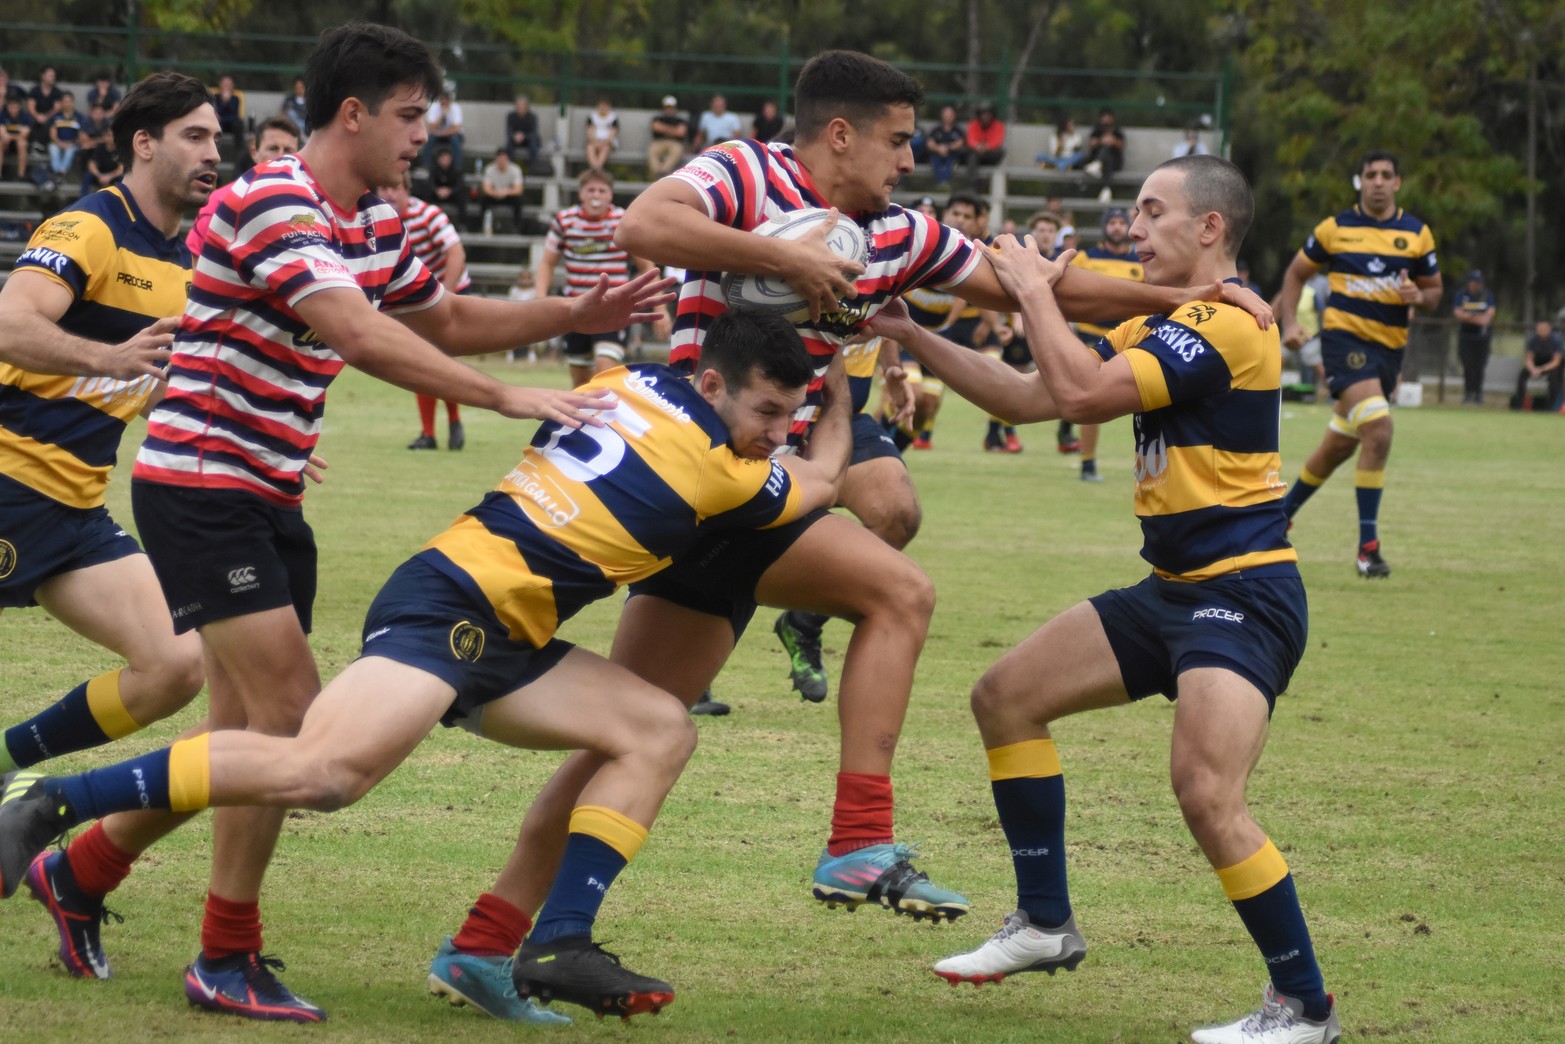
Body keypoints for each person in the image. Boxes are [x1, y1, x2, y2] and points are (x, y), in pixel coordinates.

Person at [494, 49, 1274, 945]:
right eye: (898, 141)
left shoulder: (899, 233)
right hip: (704, 474)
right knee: (898, 591)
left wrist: (1184, 292)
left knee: (631, 730)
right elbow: (647, 222)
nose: (910, 160)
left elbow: (1036, 289)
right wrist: (783, 258)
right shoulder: (746, 172)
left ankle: (488, 940)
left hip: (756, 490)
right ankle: (858, 840)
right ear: (840, 135)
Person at [0, 23, 670, 1024]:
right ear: (352, 114)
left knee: (241, 731)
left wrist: (569, 316)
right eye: (409, 115)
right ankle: (218, 948)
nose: (424, 134)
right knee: (289, 723)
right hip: (202, 489)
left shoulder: (375, 222)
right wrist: (504, 397)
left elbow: (444, 319)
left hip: (264, 494)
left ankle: (86, 867)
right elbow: (356, 333)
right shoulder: (274, 199)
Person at [0, 306, 854, 1021]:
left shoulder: (624, 382)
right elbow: (821, 481)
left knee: (658, 729)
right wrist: (842, 386)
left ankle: (545, 943)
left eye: (789, 417)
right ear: (712, 385)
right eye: (768, 413)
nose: (775, 435)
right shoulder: (722, 472)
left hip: (508, 630)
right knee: (323, 772)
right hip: (452, 607)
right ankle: (50, 802)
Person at [871, 152, 1340, 1044]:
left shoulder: (1227, 323)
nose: (1133, 226)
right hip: (1170, 592)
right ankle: (1044, 923)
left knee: (1205, 793)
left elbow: (1082, 395)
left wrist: (1030, 290)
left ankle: (1303, 1007)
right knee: (1004, 697)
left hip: (1242, 596)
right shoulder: (1163, 323)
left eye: (1152, 210)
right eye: (1133, 210)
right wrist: (911, 334)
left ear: (1210, 226)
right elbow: (1027, 397)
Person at [0, 83, 219, 975]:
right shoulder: (89, 226)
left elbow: (154, 382)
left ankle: (9, 767)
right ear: (143, 144)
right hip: (7, 479)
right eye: (194, 136)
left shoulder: (184, 260)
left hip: (75, 508)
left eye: (218, 138)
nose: (213, 153)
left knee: (175, 664)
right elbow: (10, 322)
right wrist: (108, 356)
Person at [1278, 150, 1441, 579]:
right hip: (1344, 343)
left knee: (1338, 446)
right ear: (1360, 182)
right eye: (1371, 175)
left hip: (1389, 353)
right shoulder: (1335, 229)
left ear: (1397, 182)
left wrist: (1420, 296)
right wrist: (1290, 322)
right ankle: (1368, 548)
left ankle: (1278, 518)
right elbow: (1295, 273)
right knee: (1379, 430)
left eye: (1386, 175)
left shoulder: (1416, 233)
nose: (1378, 182)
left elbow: (1434, 290)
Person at [538, 168, 668, 387]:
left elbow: (647, 266)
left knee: (604, 367)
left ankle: (608, 408)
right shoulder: (564, 221)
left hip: (612, 308)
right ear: (581, 194)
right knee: (580, 382)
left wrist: (660, 310)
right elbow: (547, 263)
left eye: (601, 190)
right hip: (576, 308)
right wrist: (541, 299)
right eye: (591, 190)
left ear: (610, 195)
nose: (596, 195)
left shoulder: (623, 221)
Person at [381, 173, 474, 451]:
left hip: (449, 289)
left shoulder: (428, 215)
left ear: (407, 190)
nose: (389, 193)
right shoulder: (375, 218)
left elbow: (456, 253)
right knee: (421, 360)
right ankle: (431, 433)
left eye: (395, 187)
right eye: (384, 187)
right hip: (416, 296)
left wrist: (446, 297)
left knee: (438, 358)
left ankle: (449, 423)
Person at [1060, 206, 1143, 480]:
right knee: (1091, 401)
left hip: (1128, 340)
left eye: (1121, 222)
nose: (1117, 227)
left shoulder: (1140, 262)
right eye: (1112, 222)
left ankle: (1148, 466)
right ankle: (1088, 464)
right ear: (1104, 227)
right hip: (1090, 338)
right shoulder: (1086, 258)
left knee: (1141, 403)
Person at [185, 115, 301, 257]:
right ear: (254, 152)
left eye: (288, 150)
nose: (280, 157)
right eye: (273, 148)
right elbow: (195, 257)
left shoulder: (309, 203)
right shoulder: (221, 201)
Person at [1452, 269, 1495, 404]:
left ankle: (1478, 394)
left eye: (1479, 282)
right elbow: (1458, 314)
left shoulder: (1486, 296)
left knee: (1480, 366)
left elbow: (1488, 318)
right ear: (1469, 283)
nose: (1477, 285)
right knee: (1467, 365)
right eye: (1475, 282)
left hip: (1482, 337)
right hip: (1466, 335)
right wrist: (1477, 317)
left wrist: (1469, 316)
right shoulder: (1461, 295)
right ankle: (1467, 393)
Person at [1513, 318, 1563, 411]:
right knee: (1522, 374)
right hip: (1536, 363)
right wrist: (1533, 369)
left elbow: (1556, 361)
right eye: (1539, 330)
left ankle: (1550, 407)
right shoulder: (1533, 340)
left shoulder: (1555, 340)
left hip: (1550, 365)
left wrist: (1542, 369)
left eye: (1544, 330)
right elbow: (1529, 358)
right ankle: (1519, 405)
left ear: (1549, 329)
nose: (1541, 332)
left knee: (1554, 378)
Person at [1083, 107, 1125, 200]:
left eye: (1108, 116)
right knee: (1105, 149)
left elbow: (1121, 145)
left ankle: (1098, 164)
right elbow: (1092, 144)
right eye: (1104, 116)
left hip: (1113, 162)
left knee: (1107, 154)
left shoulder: (1117, 130)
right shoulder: (1097, 130)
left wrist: (1113, 141)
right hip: (1097, 159)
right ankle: (1106, 189)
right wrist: (1101, 141)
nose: (1106, 119)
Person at [479, 147, 524, 232]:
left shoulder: (515, 169)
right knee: (483, 199)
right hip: (494, 195)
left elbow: (518, 190)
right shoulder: (490, 169)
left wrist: (505, 192)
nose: (502, 161)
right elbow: (486, 189)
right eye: (500, 159)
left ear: (508, 159)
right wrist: (496, 193)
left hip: (508, 195)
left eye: (504, 159)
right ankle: (483, 225)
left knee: (519, 200)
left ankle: (517, 228)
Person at [646, 95, 688, 179]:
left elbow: (681, 132)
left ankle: (663, 173)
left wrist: (663, 129)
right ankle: (657, 172)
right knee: (652, 150)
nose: (669, 110)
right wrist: (673, 130)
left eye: (671, 107)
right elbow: (656, 127)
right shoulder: (657, 118)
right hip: (659, 142)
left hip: (675, 143)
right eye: (667, 107)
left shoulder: (680, 120)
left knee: (677, 150)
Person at [425, 145, 467, 227]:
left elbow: (460, 185)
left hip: (452, 194)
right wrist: (437, 190)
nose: (445, 161)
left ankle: (462, 223)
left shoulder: (456, 169)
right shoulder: (433, 169)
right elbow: (430, 183)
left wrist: (450, 191)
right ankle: (427, 221)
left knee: (462, 197)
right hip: (437, 194)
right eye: (443, 158)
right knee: (427, 195)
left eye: (447, 158)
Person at [964, 101, 1006, 183]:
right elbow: (970, 139)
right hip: (976, 153)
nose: (985, 116)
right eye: (983, 113)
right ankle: (973, 182)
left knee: (1000, 151)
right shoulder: (973, 124)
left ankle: (983, 182)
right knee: (970, 154)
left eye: (988, 114)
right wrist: (977, 146)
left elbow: (997, 140)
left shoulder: (998, 125)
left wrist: (987, 147)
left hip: (989, 155)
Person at [925, 104, 966, 187]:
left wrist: (947, 148)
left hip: (952, 155)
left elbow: (960, 143)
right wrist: (938, 149)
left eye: (949, 115)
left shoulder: (958, 130)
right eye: (945, 114)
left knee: (950, 163)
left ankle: (945, 184)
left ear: (954, 116)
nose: (947, 117)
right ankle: (941, 184)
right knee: (935, 161)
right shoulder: (936, 130)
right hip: (937, 154)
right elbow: (929, 143)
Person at [424, 89, 464, 171]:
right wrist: (442, 115)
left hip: (451, 134)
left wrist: (442, 133)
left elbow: (456, 128)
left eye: (446, 99)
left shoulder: (455, 108)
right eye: (442, 99)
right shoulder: (434, 107)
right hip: (437, 134)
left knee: (455, 141)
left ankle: (457, 167)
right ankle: (426, 166)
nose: (444, 101)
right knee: (429, 140)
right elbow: (431, 128)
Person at [46, 91, 82, 181]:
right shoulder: (56, 117)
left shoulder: (79, 117)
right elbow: (52, 133)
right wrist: (59, 143)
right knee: (53, 148)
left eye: (69, 101)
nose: (67, 104)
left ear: (73, 102)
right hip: (57, 142)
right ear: (61, 103)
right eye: (65, 101)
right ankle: (58, 173)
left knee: (70, 150)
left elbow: (81, 135)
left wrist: (72, 143)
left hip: (73, 144)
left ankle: (60, 172)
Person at [26, 65, 63, 152]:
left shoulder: (57, 92)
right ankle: (32, 146)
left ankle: (41, 148)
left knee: (51, 124)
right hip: (35, 117)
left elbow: (57, 109)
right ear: (42, 76)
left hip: (50, 118)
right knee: (29, 122)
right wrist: (37, 116)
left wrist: (46, 117)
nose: (52, 78)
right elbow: (30, 107)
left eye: (53, 76)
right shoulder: (34, 90)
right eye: (50, 76)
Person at [209, 75, 245, 160]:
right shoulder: (215, 97)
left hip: (231, 124)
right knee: (215, 122)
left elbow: (235, 115)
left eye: (228, 84)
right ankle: (214, 153)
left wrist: (227, 102)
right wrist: (223, 102)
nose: (226, 87)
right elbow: (216, 112)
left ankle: (240, 156)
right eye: (224, 84)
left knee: (239, 124)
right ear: (220, 85)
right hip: (219, 123)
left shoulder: (235, 98)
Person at [504, 94, 540, 171]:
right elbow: (509, 131)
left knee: (533, 144)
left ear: (527, 106)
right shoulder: (511, 116)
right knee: (508, 145)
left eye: (522, 105)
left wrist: (523, 136)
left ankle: (533, 168)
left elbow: (534, 132)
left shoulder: (532, 117)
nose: (520, 107)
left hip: (528, 140)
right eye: (519, 105)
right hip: (515, 140)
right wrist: (514, 136)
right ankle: (510, 167)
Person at [582, 95, 618, 171]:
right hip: (593, 141)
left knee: (605, 148)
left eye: (605, 106)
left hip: (607, 143)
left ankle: (596, 170)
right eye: (601, 106)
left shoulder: (613, 118)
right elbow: (589, 132)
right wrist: (595, 142)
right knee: (590, 148)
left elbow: (613, 133)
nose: (602, 108)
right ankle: (597, 170)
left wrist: (604, 142)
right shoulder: (592, 117)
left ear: (609, 107)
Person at [2, 93, 33, 181]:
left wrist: (10, 137)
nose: (13, 107)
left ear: (19, 106)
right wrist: (9, 137)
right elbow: (2, 132)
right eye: (11, 105)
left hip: (19, 145)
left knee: (22, 143)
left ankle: (21, 175)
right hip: (6, 145)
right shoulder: (3, 115)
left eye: (15, 105)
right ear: (7, 106)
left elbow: (25, 134)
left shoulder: (25, 116)